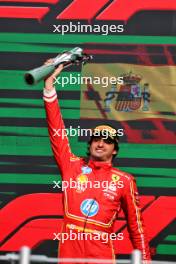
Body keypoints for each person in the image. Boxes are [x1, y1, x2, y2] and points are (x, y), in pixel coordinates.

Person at [43, 63, 151, 264]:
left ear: (115, 149)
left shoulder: (124, 181)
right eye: (96, 138)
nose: (101, 143)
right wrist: (49, 86)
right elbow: (56, 130)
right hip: (68, 253)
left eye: (108, 141)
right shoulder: (71, 165)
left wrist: (145, 260)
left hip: (100, 256)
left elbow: (136, 226)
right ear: (90, 143)